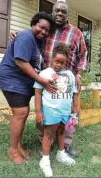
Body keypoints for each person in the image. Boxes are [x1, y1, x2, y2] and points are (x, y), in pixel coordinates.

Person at [9, 0, 87, 157]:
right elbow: (33, 34)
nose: (59, 13)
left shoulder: (76, 32)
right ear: (53, 12)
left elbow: (83, 55)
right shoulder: (47, 30)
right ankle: (45, 140)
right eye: (56, 10)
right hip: (46, 78)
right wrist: (18, 34)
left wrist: (78, 74)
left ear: (67, 14)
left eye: (63, 11)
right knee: (46, 108)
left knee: (65, 110)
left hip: (66, 79)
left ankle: (65, 145)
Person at [0, 12, 56, 164]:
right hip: (11, 77)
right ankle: (13, 150)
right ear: (33, 24)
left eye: (46, 30)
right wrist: (41, 81)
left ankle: (18, 146)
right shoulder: (26, 36)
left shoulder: (37, 41)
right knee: (21, 112)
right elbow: (21, 62)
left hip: (22, 80)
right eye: (41, 27)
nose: (43, 32)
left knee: (23, 112)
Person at [34, 44, 78, 177]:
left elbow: (74, 93)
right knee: (48, 135)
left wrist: (75, 110)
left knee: (61, 132)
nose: (59, 65)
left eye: (62, 62)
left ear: (66, 62)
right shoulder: (44, 73)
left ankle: (61, 154)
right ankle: (45, 161)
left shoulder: (70, 74)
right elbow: (37, 93)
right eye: (56, 61)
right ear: (51, 59)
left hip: (65, 111)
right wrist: (38, 112)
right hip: (50, 110)